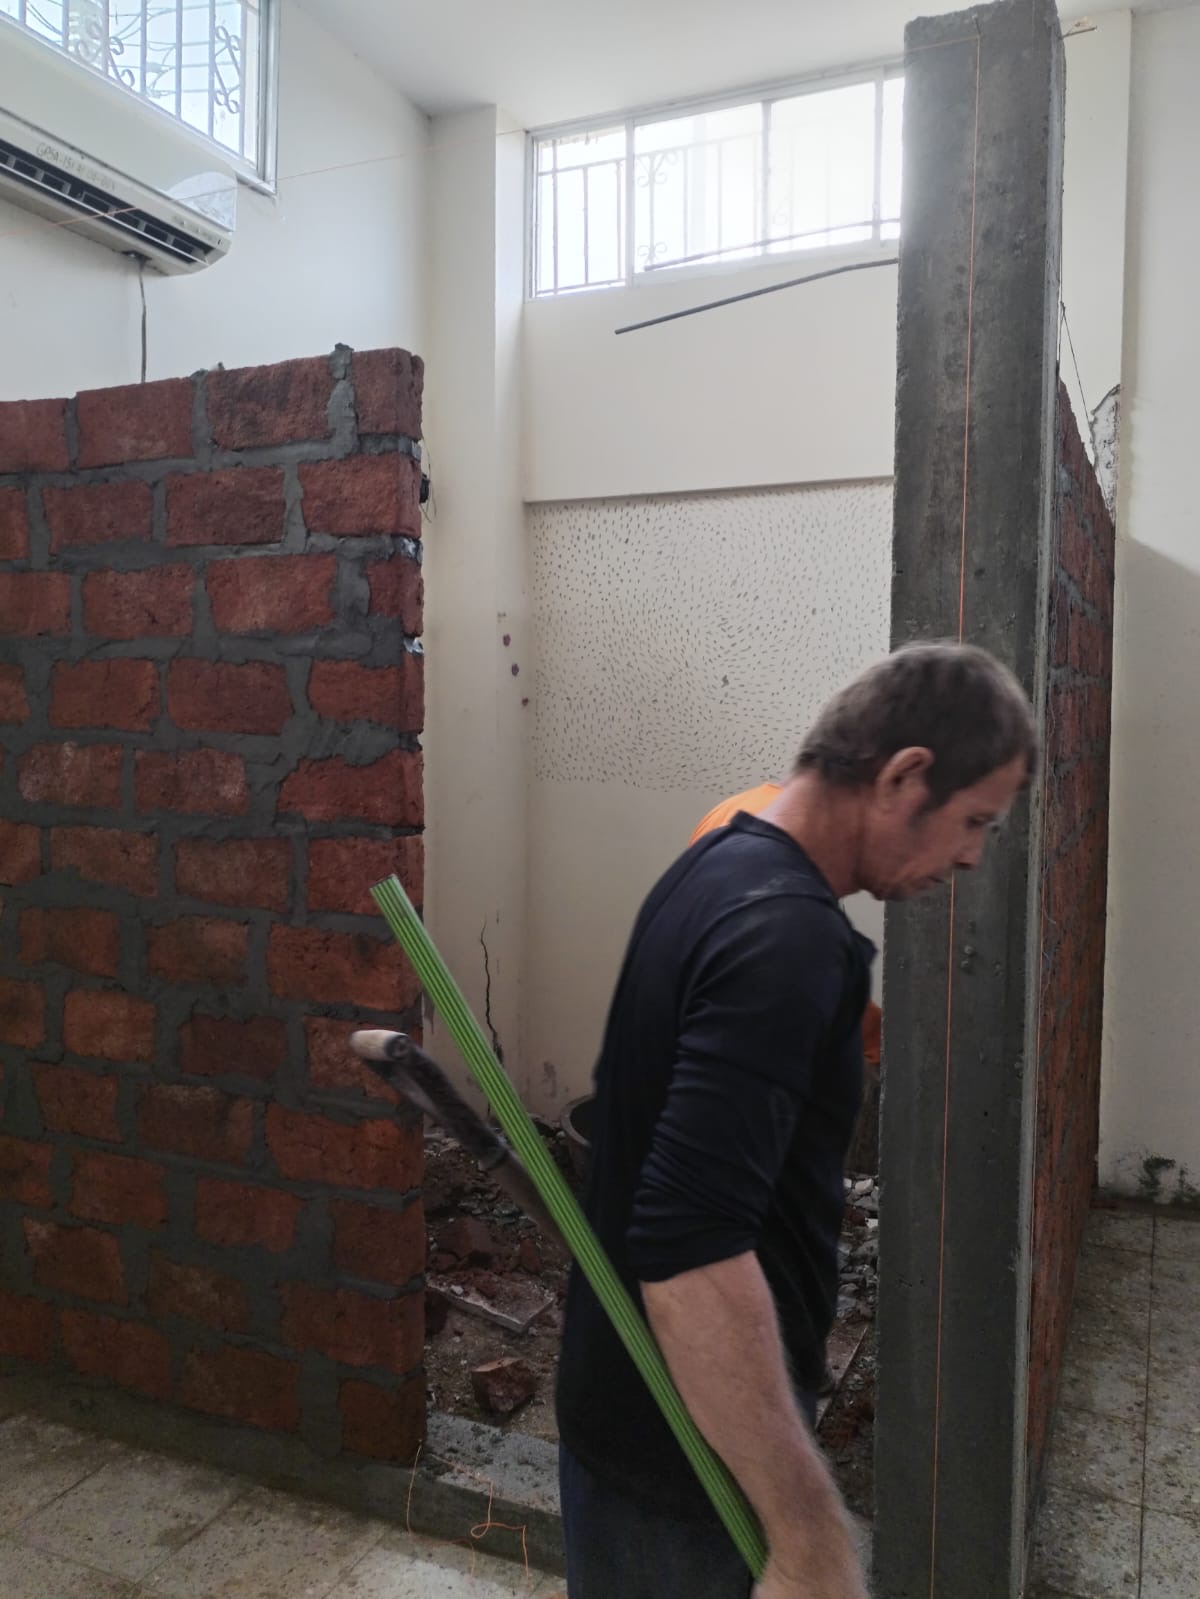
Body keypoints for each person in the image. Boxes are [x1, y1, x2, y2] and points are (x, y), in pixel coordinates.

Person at [555, 641, 1038, 1599]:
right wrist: (807, 1530)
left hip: (625, 1419)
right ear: (903, 776)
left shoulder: (716, 864)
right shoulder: (791, 938)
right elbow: (691, 1251)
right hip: (690, 1470)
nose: (973, 856)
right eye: (975, 820)